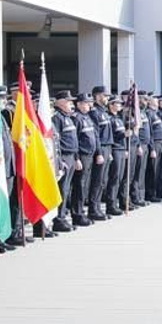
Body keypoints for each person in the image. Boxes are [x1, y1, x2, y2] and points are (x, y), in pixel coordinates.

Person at [49, 89, 78, 232]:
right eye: (68, 101)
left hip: (71, 156)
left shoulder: (68, 117)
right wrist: (60, 160)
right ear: (60, 103)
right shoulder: (57, 118)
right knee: (62, 189)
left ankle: (63, 217)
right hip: (64, 157)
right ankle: (58, 220)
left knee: (67, 189)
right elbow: (56, 142)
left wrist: (76, 158)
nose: (71, 104)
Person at [71, 94, 99, 226]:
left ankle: (82, 212)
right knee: (79, 186)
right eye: (87, 103)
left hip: (89, 155)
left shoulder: (87, 117)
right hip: (82, 155)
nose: (90, 105)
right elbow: (75, 140)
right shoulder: (76, 118)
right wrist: (76, 158)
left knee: (85, 186)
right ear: (79, 104)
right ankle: (77, 215)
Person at [89, 87, 113, 219]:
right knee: (97, 181)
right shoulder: (94, 113)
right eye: (105, 96)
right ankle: (93, 210)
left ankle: (98, 208)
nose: (107, 98)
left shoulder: (104, 112)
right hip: (101, 148)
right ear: (98, 96)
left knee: (103, 180)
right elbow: (96, 135)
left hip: (107, 148)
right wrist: (99, 152)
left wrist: (109, 150)